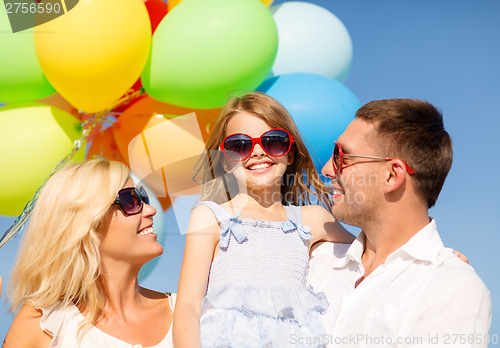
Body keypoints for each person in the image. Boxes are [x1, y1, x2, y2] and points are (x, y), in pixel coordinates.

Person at [173, 92, 355, 348]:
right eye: (239, 145)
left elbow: (370, 255)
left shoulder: (313, 219)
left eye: (274, 142)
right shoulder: (211, 216)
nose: (257, 152)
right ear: (225, 160)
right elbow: (188, 305)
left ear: (290, 154)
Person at [308, 99, 491, 347]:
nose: (328, 168)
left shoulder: (452, 288)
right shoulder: (314, 260)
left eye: (342, 156)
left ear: (392, 175)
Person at [4, 159, 175, 348]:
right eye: (131, 200)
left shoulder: (190, 310)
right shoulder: (44, 323)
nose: (151, 210)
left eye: (144, 199)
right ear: (86, 224)